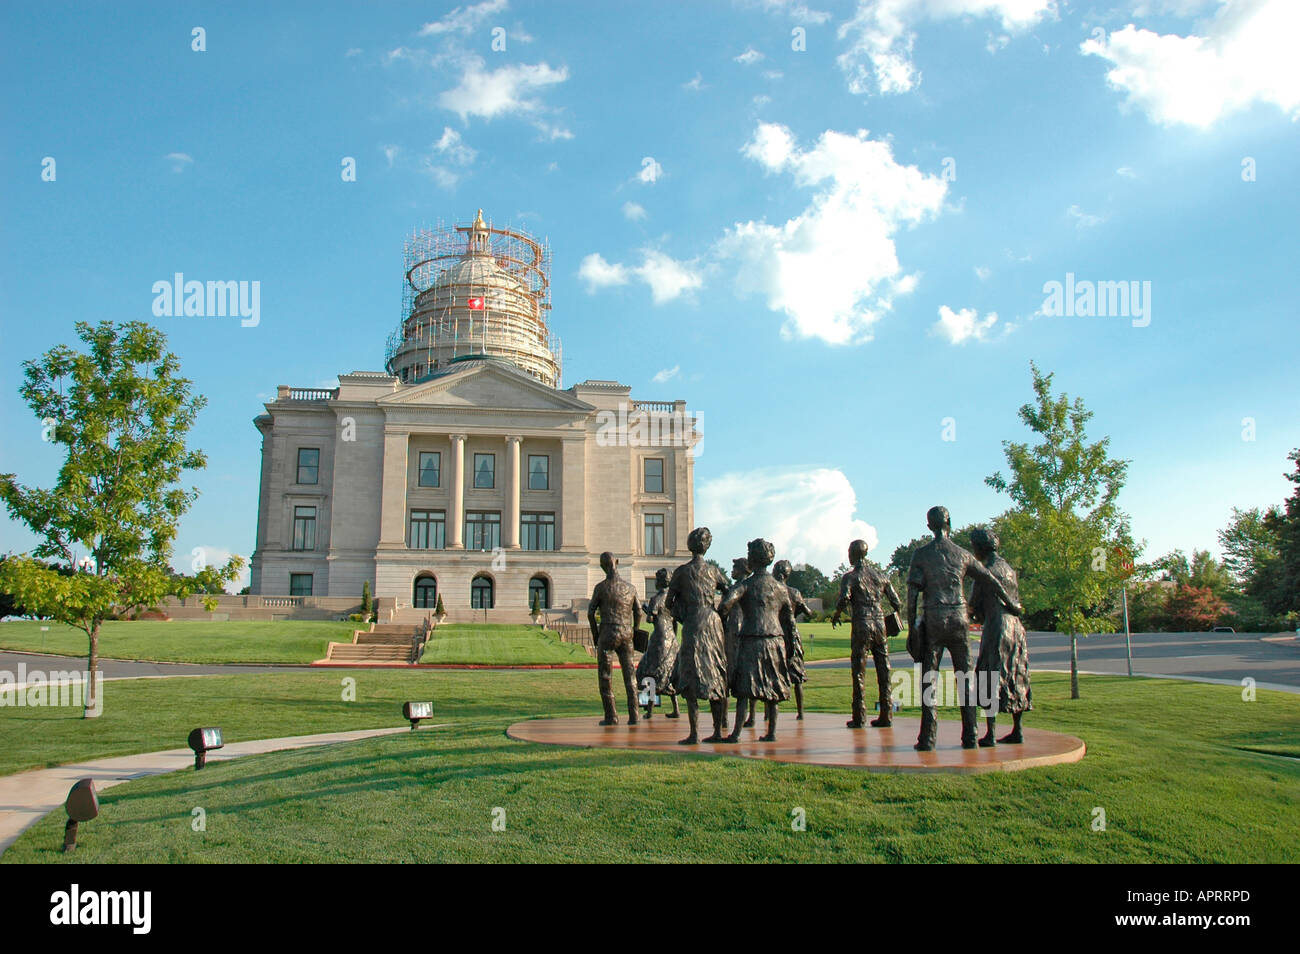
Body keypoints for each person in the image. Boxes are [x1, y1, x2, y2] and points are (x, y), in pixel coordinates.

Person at [906, 506, 1022, 751]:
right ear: (950, 523)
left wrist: (911, 627)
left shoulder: (921, 554)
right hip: (959, 619)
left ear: (929, 526)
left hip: (934, 617)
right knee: (966, 678)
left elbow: (912, 593)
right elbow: (991, 581)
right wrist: (1011, 603)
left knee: (929, 679)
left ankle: (928, 738)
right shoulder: (963, 554)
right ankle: (970, 736)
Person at [718, 538, 793, 743]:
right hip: (775, 641)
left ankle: (736, 734)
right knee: (772, 686)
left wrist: (722, 622)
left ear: (753, 558)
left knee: (744, 688)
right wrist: (792, 649)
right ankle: (772, 732)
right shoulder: (780, 588)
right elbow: (789, 622)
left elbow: (725, 605)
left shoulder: (745, 585)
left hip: (751, 639)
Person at [969, 528, 1032, 745]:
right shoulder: (1008, 568)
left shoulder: (985, 570)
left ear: (978, 548)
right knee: (1017, 673)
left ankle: (991, 734)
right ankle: (1018, 729)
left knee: (989, 674)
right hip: (1016, 628)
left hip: (997, 626)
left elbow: (973, 603)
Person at [667, 527, 730, 744]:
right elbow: (729, 592)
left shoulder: (681, 572)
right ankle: (718, 731)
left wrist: (683, 615)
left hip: (694, 621)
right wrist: (719, 613)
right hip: (711, 621)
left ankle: (694, 733)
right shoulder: (713, 571)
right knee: (714, 670)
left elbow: (669, 603)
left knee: (691, 672)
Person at [832, 539, 902, 729]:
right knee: (884, 670)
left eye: (849, 552)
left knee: (858, 672)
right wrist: (894, 616)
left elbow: (844, 598)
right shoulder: (880, 576)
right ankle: (886, 714)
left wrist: (837, 614)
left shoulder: (850, 577)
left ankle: (859, 716)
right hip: (880, 624)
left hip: (862, 623)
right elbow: (897, 602)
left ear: (854, 554)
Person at [587, 551, 643, 726]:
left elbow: (590, 613)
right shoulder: (630, 588)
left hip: (607, 632)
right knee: (630, 675)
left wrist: (596, 635)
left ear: (603, 566)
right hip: (626, 633)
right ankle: (634, 715)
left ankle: (611, 715)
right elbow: (639, 612)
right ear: (617, 563)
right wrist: (634, 630)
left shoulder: (601, 587)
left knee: (605, 676)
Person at [637, 568, 680, 719]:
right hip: (672, 638)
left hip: (659, 639)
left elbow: (650, 619)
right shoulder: (674, 599)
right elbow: (674, 621)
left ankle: (649, 711)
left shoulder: (657, 598)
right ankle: (676, 709)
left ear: (660, 582)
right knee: (668, 672)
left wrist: (647, 610)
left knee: (650, 672)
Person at [772, 559, 810, 720]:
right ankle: (800, 712)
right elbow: (808, 613)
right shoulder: (794, 593)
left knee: (773, 672)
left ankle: (770, 714)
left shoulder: (773, 590)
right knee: (797, 677)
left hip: (777, 633)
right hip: (792, 634)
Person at [723, 556, 750, 727]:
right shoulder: (753, 586)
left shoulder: (737, 588)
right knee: (747, 677)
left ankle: (724, 721)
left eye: (735, 568)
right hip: (747, 632)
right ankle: (751, 718)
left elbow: (724, 607)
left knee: (727, 677)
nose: (732, 571)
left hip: (734, 633)